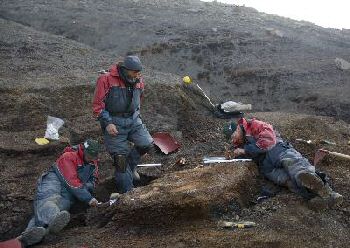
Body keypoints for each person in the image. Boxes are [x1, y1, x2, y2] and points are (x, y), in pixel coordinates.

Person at [224, 117, 343, 208]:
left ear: (238, 128)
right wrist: (234, 153)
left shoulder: (254, 125)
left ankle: (327, 192)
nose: (233, 140)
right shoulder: (239, 143)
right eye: (231, 139)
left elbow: (268, 141)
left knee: (296, 168)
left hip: (277, 150)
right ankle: (321, 198)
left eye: (233, 135)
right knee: (288, 182)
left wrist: (245, 150)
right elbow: (249, 156)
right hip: (267, 167)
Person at [18, 139, 100, 246]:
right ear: (83, 150)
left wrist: (86, 187)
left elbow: (93, 182)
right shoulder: (69, 156)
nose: (91, 159)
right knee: (49, 201)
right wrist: (88, 198)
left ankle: (26, 237)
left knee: (55, 209)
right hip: (54, 181)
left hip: (69, 193)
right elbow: (71, 181)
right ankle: (51, 220)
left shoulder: (93, 164)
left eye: (93, 157)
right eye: (89, 155)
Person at [93, 55, 155, 193]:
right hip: (114, 122)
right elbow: (98, 106)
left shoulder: (138, 79)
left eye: (139, 72)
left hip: (133, 120)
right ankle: (127, 194)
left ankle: (131, 168)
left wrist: (136, 115)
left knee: (146, 144)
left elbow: (139, 99)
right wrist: (107, 123)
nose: (138, 75)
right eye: (135, 72)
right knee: (120, 161)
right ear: (126, 69)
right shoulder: (106, 79)